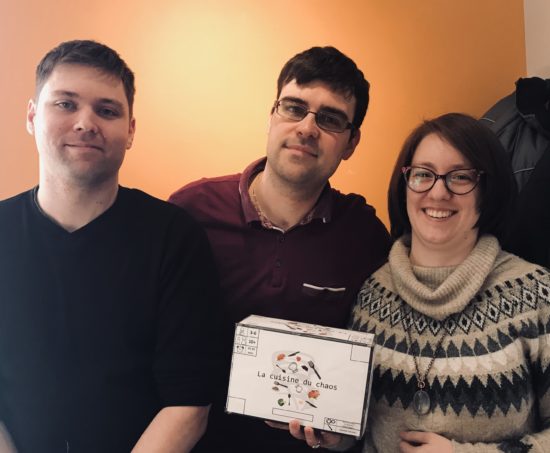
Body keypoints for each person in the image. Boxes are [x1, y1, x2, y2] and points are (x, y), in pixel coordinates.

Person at [0, 40, 220, 453]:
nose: (86, 123)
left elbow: (189, 403)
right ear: (32, 116)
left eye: (107, 110)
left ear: (131, 130)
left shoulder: (174, 238)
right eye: (65, 104)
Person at [169, 46, 391, 452]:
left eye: (330, 119)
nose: (307, 128)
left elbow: (372, 373)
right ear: (271, 115)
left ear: (351, 142)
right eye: (294, 108)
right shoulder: (190, 211)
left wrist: (343, 434)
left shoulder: (365, 235)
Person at [285, 113, 550, 452]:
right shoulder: (371, 293)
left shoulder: (534, 294)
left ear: (488, 191)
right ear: (405, 186)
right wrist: (337, 436)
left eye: (460, 177)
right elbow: (361, 427)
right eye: (423, 174)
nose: (438, 192)